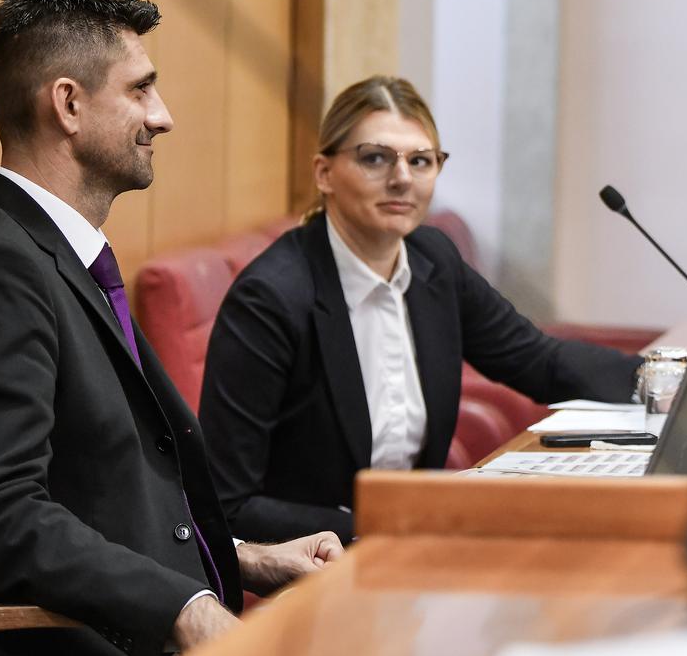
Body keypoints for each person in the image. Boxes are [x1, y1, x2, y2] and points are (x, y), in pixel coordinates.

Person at [0, 0, 344, 656]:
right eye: (143, 90)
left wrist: (244, 556)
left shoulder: (54, 257)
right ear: (69, 104)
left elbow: (97, 489)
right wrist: (185, 606)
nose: (165, 116)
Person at [198, 76, 643, 543]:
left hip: (415, 546)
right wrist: (402, 523)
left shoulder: (434, 261)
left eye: (420, 161)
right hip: (316, 563)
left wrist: (663, 381)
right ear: (324, 173)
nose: (402, 178)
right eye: (375, 158)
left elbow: (538, 360)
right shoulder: (271, 298)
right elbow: (229, 505)